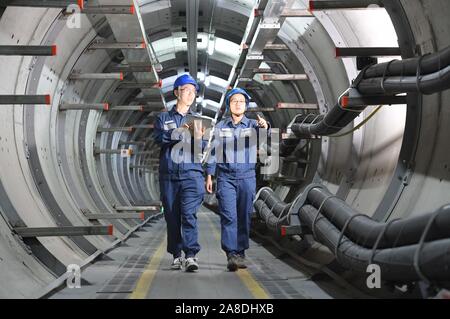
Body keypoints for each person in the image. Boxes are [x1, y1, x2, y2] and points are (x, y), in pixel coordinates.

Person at [205, 88, 269, 271]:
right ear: (229, 105)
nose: (238, 103)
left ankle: (240, 251)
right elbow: (214, 151)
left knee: (244, 216)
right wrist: (209, 174)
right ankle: (231, 253)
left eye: (241, 101)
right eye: (234, 101)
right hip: (226, 177)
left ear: (246, 105)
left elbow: (264, 137)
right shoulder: (221, 127)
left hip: (247, 177)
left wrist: (265, 126)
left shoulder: (253, 125)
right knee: (229, 216)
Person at [153, 74, 207, 272]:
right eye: (187, 90)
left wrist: (198, 138)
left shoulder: (198, 121)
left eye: (194, 91)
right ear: (177, 92)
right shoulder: (163, 118)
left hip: (191, 173)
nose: (191, 94)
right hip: (169, 175)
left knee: (189, 215)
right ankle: (176, 255)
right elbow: (160, 139)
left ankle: (191, 254)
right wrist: (179, 133)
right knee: (172, 216)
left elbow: (203, 148)